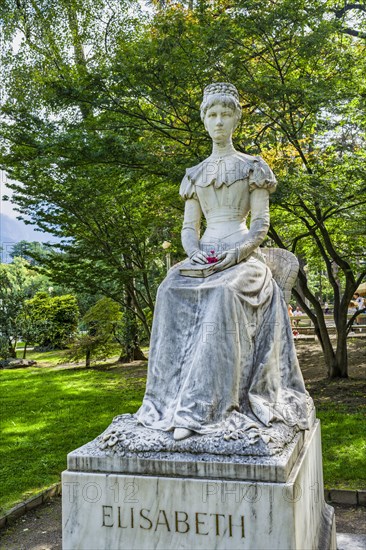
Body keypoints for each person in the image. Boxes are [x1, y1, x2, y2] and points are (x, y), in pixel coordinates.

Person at [135, 83, 309, 441]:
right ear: (203, 120)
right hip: (205, 257)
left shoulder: (253, 167)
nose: (218, 122)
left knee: (225, 295)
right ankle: (164, 400)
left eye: (224, 114)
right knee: (168, 288)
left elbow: (260, 224)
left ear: (235, 119)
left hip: (244, 260)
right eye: (211, 115)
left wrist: (238, 252)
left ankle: (200, 407)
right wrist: (193, 251)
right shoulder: (195, 173)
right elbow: (188, 227)